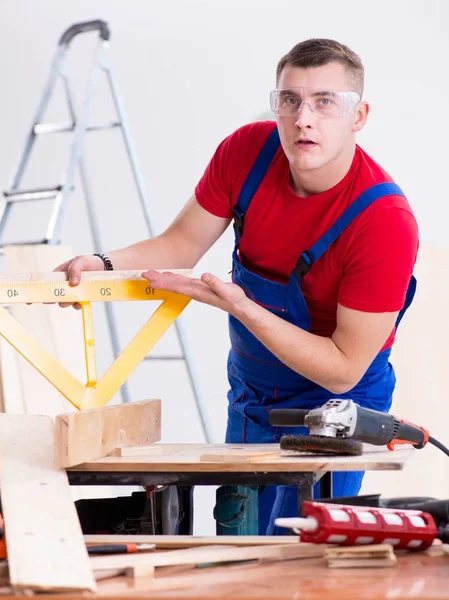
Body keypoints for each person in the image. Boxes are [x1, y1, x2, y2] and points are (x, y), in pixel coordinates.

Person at [55, 38, 419, 534]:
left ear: (359, 116)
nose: (302, 119)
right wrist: (101, 262)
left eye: (324, 102)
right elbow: (180, 245)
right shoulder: (247, 152)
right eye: (289, 100)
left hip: (335, 408)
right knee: (240, 532)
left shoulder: (383, 221)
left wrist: (243, 308)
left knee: (299, 549)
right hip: (253, 390)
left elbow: (342, 369)